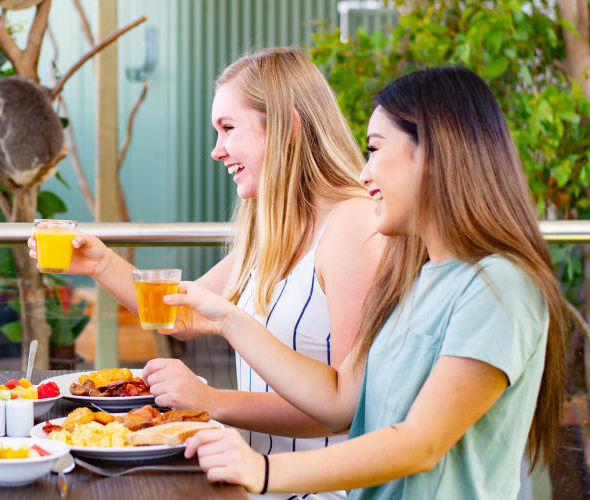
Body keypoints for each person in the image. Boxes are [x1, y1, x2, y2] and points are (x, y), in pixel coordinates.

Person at [176, 67, 568, 498]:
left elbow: (420, 444)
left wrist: (263, 470)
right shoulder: (412, 281)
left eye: (375, 150)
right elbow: (338, 403)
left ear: (435, 155)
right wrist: (229, 321)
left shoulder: (501, 287)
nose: (363, 175)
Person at [30, 48, 382, 498]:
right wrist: (100, 263)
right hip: (250, 481)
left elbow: (347, 407)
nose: (217, 151)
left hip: (320, 489)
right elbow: (180, 315)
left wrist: (211, 400)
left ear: (287, 128)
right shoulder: (271, 228)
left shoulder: (353, 225)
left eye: (228, 129)